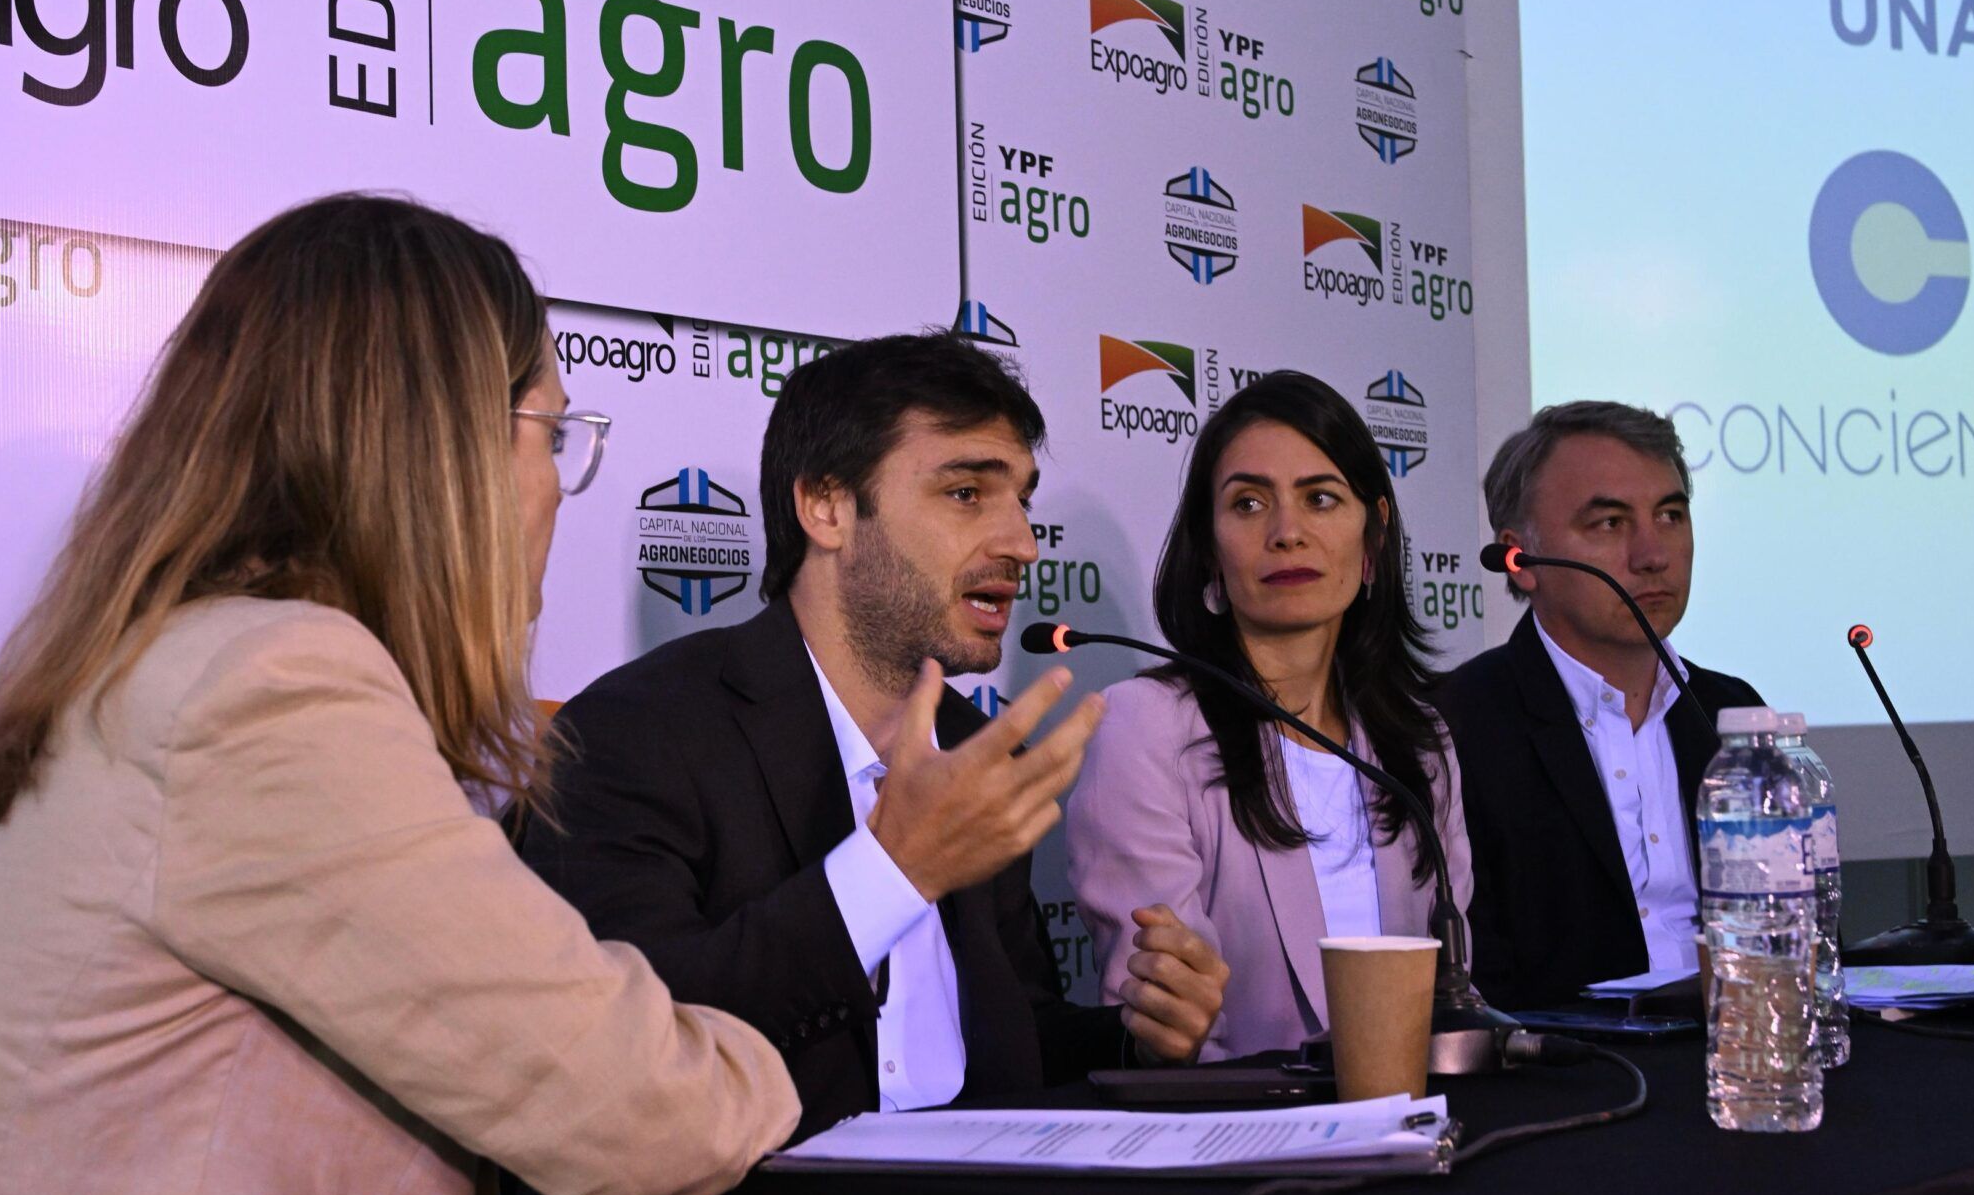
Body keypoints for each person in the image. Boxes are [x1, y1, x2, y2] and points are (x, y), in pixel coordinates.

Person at [0, 196, 800, 1195]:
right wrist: (824, 1040)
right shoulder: (270, 691)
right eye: (552, 432)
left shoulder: (196, 666)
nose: (559, 485)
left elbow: (365, 1116)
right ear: (438, 448)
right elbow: (636, 1107)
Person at [528, 332, 1227, 1140]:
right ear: (827, 508)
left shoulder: (976, 750)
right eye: (966, 493)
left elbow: (1012, 1042)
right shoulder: (635, 733)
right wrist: (893, 871)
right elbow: (639, 1048)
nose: (1022, 545)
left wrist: (1141, 1042)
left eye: (1023, 502)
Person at [1064, 371, 1474, 1060]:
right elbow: (1172, 1025)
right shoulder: (1147, 728)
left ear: (1372, 540)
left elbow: (1452, 999)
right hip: (1236, 1118)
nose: (1287, 533)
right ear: (1209, 550)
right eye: (1249, 503)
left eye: (1320, 499)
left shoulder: (1420, 743)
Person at [1436, 400, 1766, 1007]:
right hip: (1567, 1055)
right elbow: (1474, 981)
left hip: (1739, 1041)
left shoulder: (1730, 711)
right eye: (1610, 523)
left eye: (1670, 515)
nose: (1653, 555)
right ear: (1521, 559)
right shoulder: (1460, 724)